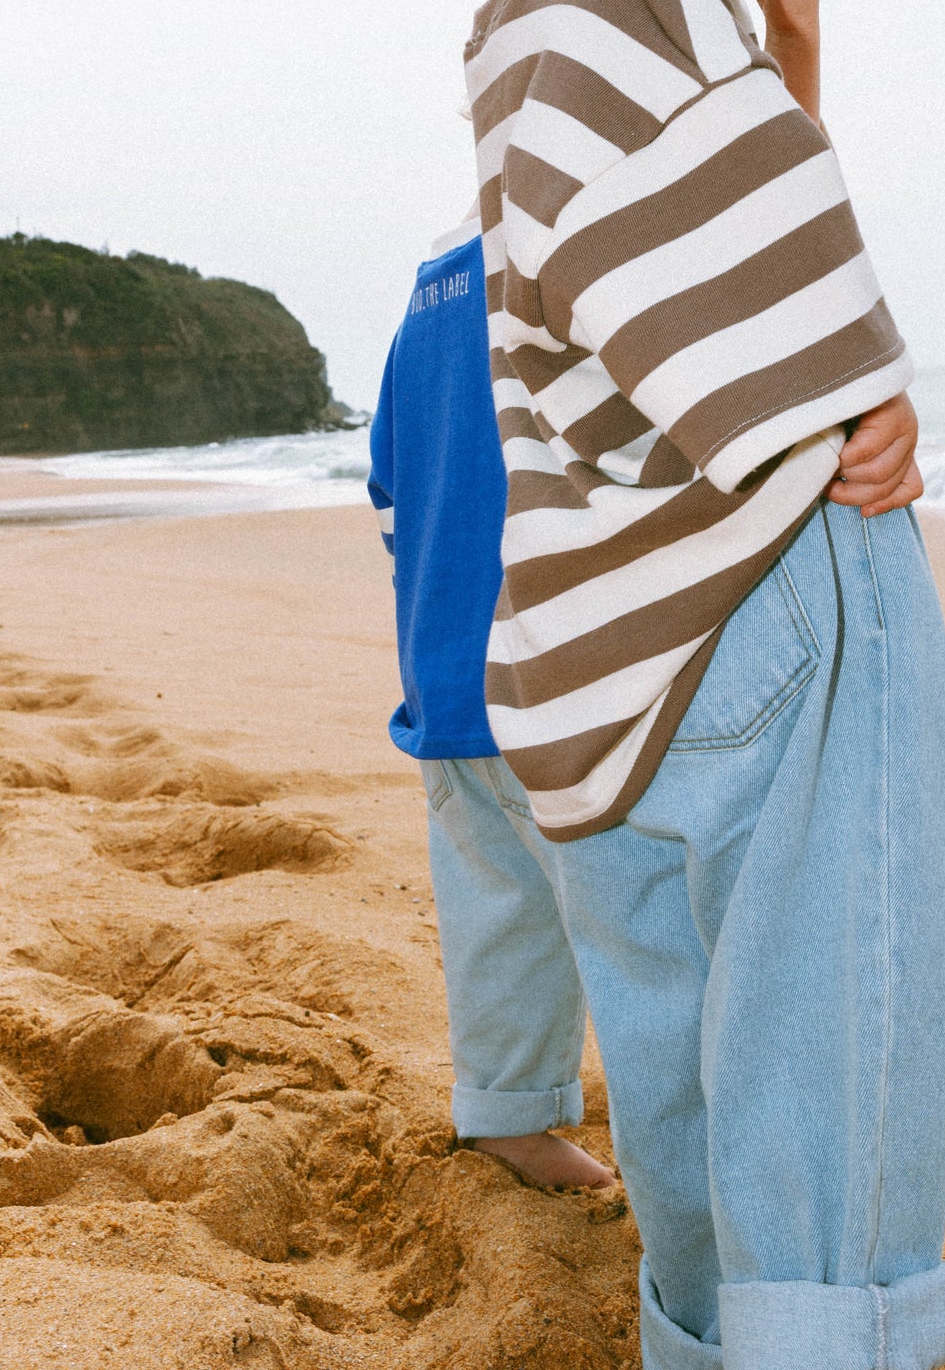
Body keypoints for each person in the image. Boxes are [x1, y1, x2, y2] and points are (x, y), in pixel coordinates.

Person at [445, 0, 945, 1370]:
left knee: (684, 1103)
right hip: (760, 613)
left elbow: (658, 275)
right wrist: (862, 403)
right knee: (834, 1096)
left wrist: (790, 66)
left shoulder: (522, 25)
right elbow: (792, 328)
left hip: (608, 673)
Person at [367, 213, 614, 1190]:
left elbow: (389, 484)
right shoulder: (578, 244)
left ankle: (508, 1112)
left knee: (495, 904)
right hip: (563, 668)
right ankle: (697, 1128)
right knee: (644, 923)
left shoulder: (422, 301)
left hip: (446, 671)